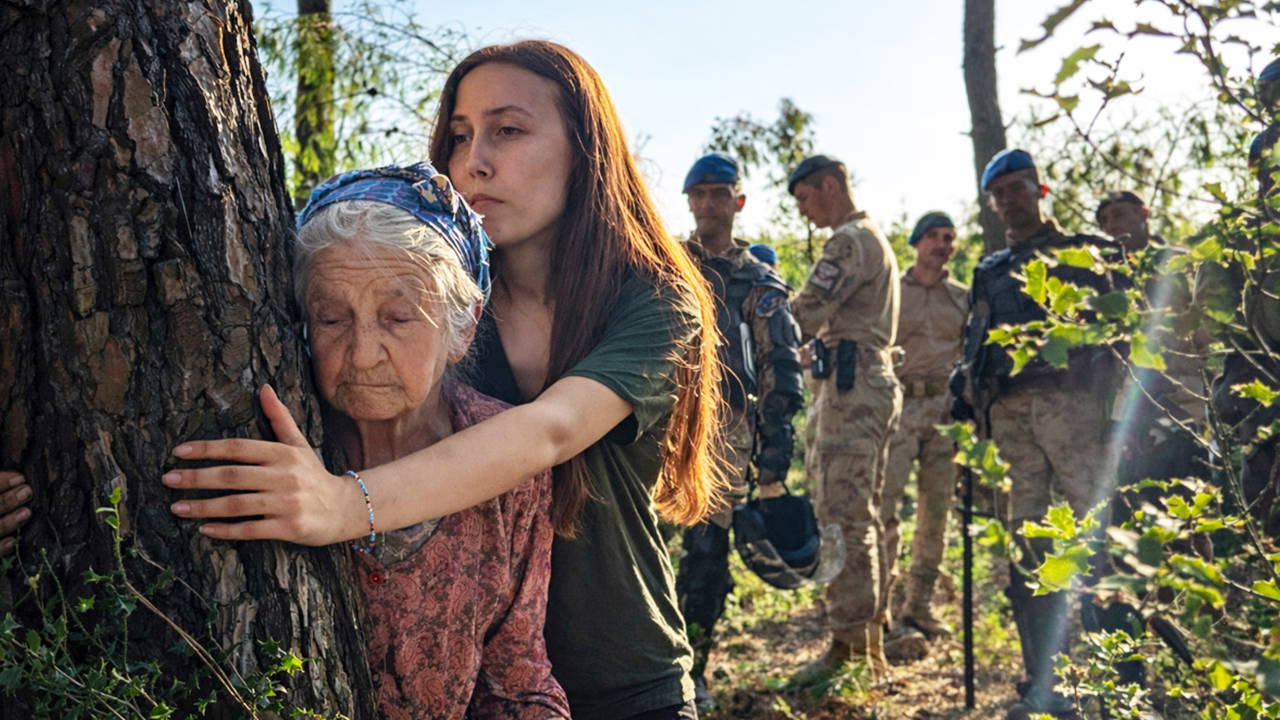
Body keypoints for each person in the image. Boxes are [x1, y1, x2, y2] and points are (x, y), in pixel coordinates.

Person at [144, 41, 726, 720]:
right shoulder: (423, 299)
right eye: (459, 135)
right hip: (465, 682)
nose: (473, 160)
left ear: (584, 149)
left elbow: (551, 430)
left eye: (507, 130)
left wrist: (342, 505)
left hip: (622, 683)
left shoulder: (650, 299)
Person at [294, 162, 570, 718]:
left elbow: (516, 679)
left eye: (398, 318)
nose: (364, 352)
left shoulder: (506, 461)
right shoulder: (287, 437)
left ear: (462, 327)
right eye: (330, 318)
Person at [952, 149, 1122, 720]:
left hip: (1074, 408)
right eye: (998, 193)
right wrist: (968, 403)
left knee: (1101, 538)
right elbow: (975, 347)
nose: (1008, 199)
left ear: (1039, 189)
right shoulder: (990, 270)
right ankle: (1046, 681)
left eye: (1017, 187)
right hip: (1010, 422)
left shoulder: (1087, 253)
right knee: (1028, 547)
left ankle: (1125, 673)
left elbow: (1122, 336)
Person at [674, 152, 804, 707]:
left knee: (705, 555)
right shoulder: (664, 263)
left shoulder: (757, 280)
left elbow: (782, 368)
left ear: (737, 202)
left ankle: (691, 669)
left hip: (723, 430)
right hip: (658, 421)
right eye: (698, 194)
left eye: (717, 194)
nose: (707, 204)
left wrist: (774, 457)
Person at [786, 154, 902, 679]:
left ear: (830, 186)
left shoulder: (849, 241)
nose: (805, 212)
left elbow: (804, 313)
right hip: (858, 381)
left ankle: (851, 652)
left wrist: (762, 322)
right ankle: (866, 643)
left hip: (853, 391)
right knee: (862, 515)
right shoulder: (870, 237)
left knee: (843, 514)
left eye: (806, 198)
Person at [881, 211, 967, 647]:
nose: (942, 244)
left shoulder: (963, 298)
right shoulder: (892, 292)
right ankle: (879, 607)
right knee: (885, 511)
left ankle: (919, 604)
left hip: (944, 413)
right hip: (898, 407)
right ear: (916, 242)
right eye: (933, 236)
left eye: (949, 237)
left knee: (936, 514)